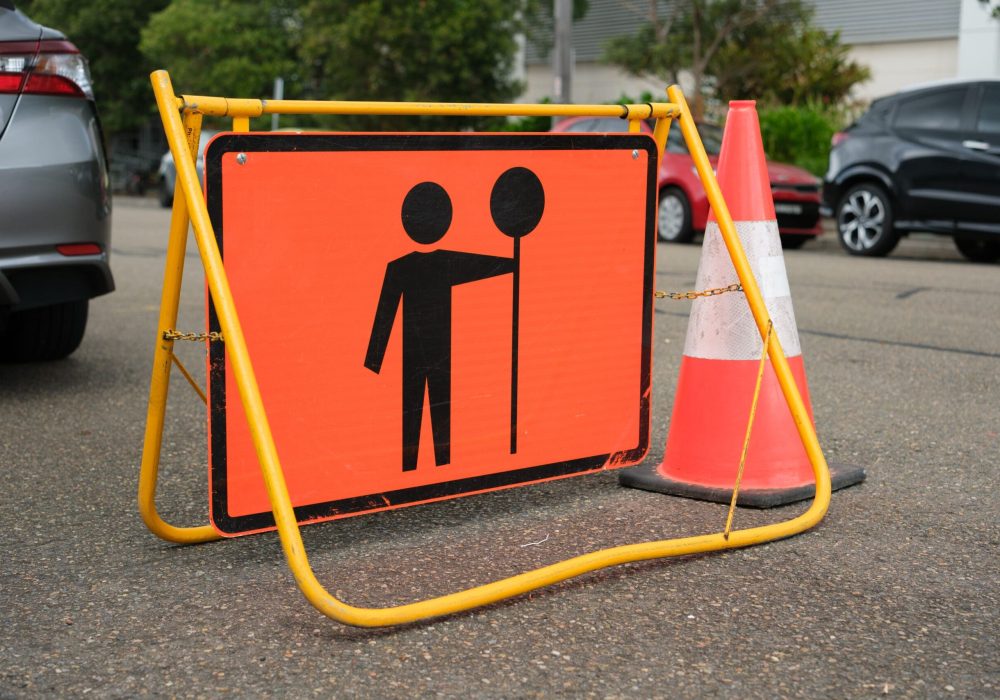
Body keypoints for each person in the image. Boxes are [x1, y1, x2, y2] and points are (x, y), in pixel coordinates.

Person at [364, 181, 514, 471]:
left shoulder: (406, 266)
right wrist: (374, 359)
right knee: (428, 409)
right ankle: (426, 465)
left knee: (426, 409)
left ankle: (429, 466)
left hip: (428, 351)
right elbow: (385, 312)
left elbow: (385, 313)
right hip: (430, 350)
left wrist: (374, 360)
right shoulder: (434, 263)